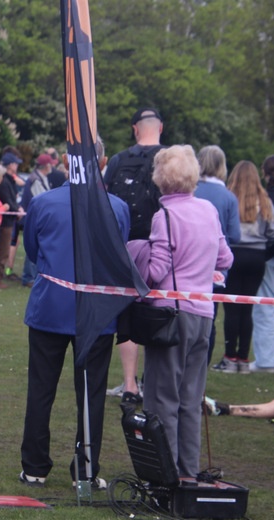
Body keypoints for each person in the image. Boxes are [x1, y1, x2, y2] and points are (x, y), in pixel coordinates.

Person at [19, 137, 128, 490]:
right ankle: (85, 469)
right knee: (90, 393)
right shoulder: (116, 208)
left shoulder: (44, 203)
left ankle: (35, 467)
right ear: (103, 162)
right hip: (92, 312)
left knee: (42, 390)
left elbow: (33, 251)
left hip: (55, 308)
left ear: (67, 163)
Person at [128, 145, 232, 478]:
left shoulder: (165, 216)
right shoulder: (208, 210)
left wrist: (136, 255)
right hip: (204, 315)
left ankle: (166, 473)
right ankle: (188, 470)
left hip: (170, 318)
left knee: (162, 399)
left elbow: (156, 270)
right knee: (191, 398)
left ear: (160, 179)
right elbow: (225, 259)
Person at [104, 107, 166, 405]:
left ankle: (130, 384)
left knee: (127, 311)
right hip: (159, 246)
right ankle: (153, 383)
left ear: (135, 129)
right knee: (160, 309)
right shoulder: (170, 159)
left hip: (124, 246)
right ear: (160, 128)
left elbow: (104, 199)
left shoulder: (117, 160)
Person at [212, 161, 274, 374]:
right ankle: (243, 358)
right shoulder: (265, 200)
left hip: (234, 254)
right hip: (257, 256)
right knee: (248, 307)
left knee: (231, 307)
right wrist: (264, 251)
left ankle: (230, 358)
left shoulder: (229, 197)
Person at [194, 145, 240, 365]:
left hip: (186, 264)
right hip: (214, 268)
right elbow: (235, 235)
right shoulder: (228, 197)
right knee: (208, 320)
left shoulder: (190, 190)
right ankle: (200, 371)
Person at [250, 155, 274, 374]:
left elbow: (271, 231)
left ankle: (265, 361)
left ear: (265, 173)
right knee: (272, 305)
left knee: (263, 306)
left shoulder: (269, 197)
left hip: (273, 256)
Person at [19, 153, 57, 287]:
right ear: (46, 166)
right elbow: (43, 199)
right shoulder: (36, 180)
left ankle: (31, 276)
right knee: (34, 246)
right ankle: (29, 277)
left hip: (37, 217)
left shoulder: (40, 178)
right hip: (36, 218)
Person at [0, 152, 22, 287]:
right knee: (2, 251)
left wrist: (17, 208)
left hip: (9, 220)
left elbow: (12, 198)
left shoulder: (9, 180)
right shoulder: (4, 182)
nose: (17, 166)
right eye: (15, 163)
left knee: (4, 250)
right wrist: (16, 210)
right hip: (5, 221)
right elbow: (7, 199)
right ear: (10, 165)